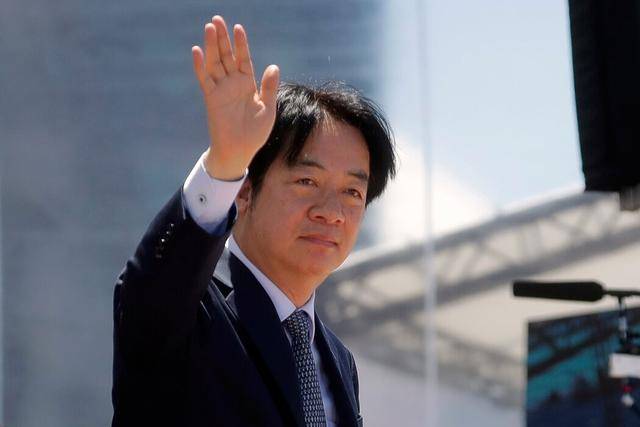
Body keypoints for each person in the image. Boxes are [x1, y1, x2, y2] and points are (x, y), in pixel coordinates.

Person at [111, 15, 396, 427]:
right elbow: (151, 287)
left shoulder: (339, 361)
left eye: (352, 192)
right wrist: (226, 161)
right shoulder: (189, 311)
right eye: (307, 181)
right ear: (244, 191)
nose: (331, 211)